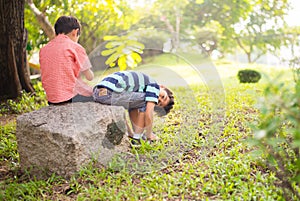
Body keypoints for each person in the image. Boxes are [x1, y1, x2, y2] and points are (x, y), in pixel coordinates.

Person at [93, 71, 175, 142]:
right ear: (162, 87)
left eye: (159, 103)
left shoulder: (139, 88)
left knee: (135, 106)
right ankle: (138, 137)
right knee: (146, 101)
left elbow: (133, 108)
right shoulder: (154, 86)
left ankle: (133, 135)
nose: (158, 98)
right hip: (109, 92)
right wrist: (149, 134)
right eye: (163, 96)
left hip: (99, 93)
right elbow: (148, 113)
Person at [39, 15, 94, 105]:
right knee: (98, 93)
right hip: (72, 97)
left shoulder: (44, 49)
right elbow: (89, 77)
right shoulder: (75, 47)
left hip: (52, 99)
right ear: (75, 32)